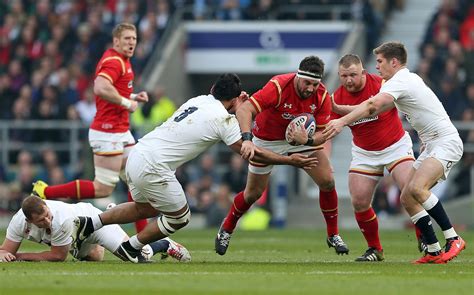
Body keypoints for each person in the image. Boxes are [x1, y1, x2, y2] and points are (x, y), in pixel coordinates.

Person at [71, 73, 318, 263]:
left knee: (143, 208)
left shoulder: (199, 100)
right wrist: (290, 160)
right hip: (153, 165)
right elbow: (249, 152)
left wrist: (237, 106)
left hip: (138, 153)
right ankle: (131, 247)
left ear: (213, 90)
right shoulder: (224, 119)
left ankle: (90, 223)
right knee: (180, 217)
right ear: (233, 100)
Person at [324, 41, 466, 264]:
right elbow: (369, 107)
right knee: (407, 197)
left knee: (417, 189)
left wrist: (341, 120)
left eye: (380, 61)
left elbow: (371, 106)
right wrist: (337, 112)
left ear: (394, 62)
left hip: (445, 142)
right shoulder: (402, 80)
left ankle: (453, 237)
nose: (377, 67)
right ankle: (433, 249)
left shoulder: (398, 81)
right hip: (430, 144)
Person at [215, 56, 349, 256]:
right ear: (298, 76)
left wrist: (308, 141)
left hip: (301, 142)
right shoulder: (278, 86)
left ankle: (333, 235)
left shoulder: (321, 96)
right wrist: (247, 139)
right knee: (253, 194)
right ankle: (226, 228)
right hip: (266, 139)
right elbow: (245, 109)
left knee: (328, 181)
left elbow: (322, 135)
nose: (311, 88)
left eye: (315, 84)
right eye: (307, 83)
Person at [31, 23, 149, 233]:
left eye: (134, 38)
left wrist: (132, 96)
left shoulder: (122, 60)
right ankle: (46, 191)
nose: (131, 42)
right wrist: (126, 103)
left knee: (136, 180)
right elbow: (101, 87)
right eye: (127, 38)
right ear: (116, 41)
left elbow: (112, 89)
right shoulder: (114, 61)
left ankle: (143, 239)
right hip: (108, 131)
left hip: (120, 130)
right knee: (103, 188)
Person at [332, 54, 425, 262]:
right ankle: (375, 249)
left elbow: (379, 106)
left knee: (411, 192)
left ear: (363, 72)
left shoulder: (382, 83)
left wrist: (341, 112)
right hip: (364, 153)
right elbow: (327, 129)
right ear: (339, 75)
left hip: (396, 146)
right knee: (359, 201)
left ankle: (424, 236)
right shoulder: (336, 97)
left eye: (353, 75)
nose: (349, 80)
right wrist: (308, 138)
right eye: (344, 76)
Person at [0, 195, 190, 263]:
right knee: (94, 258)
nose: (47, 221)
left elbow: (58, 257)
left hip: (91, 223)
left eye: (47, 215)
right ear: (28, 221)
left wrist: (19, 257)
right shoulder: (19, 221)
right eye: (41, 221)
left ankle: (164, 244)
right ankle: (102, 237)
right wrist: (5, 254)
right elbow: (5, 251)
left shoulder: (61, 218)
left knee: (137, 255)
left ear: (47, 206)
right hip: (73, 237)